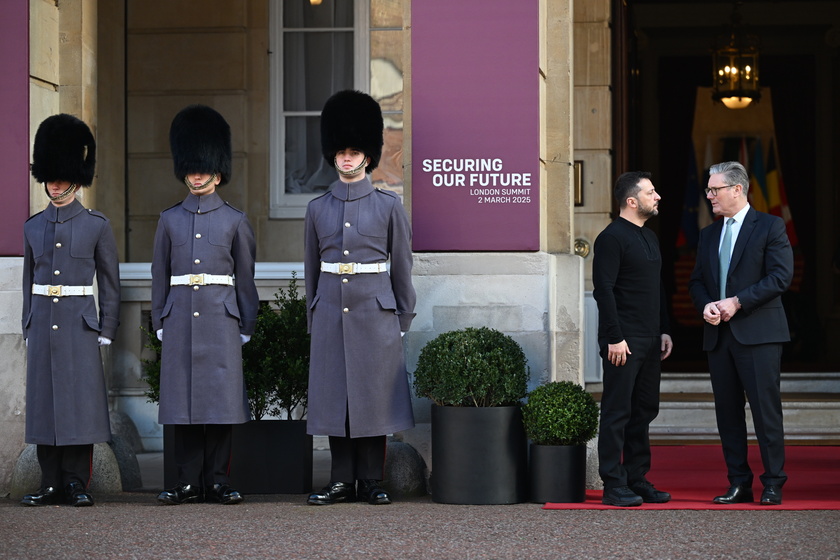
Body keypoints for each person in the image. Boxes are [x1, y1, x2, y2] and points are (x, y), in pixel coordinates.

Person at [304, 90, 416, 506]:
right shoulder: (318, 209)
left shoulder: (389, 207)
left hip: (376, 313)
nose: (348, 158)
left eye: (355, 152)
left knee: (372, 399)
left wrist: (402, 319)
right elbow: (312, 270)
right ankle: (340, 480)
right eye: (342, 152)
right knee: (336, 398)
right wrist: (314, 318)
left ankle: (371, 480)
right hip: (331, 310)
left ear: (368, 156)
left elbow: (401, 268)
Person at [152, 105, 259, 506]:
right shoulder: (170, 220)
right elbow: (159, 273)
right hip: (180, 318)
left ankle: (217, 480)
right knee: (182, 406)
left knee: (219, 405)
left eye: (203, 168)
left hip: (220, 320)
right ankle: (186, 482)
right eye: (191, 168)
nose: (196, 175)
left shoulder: (235, 220)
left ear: (217, 170)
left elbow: (245, 278)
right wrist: (160, 316)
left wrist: (246, 323)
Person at [21, 114, 120, 507]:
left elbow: (111, 281)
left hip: (80, 323)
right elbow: (30, 282)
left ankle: (77, 481)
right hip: (44, 322)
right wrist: (27, 323)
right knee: (45, 404)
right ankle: (50, 482)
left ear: (76, 178)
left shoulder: (96, 225)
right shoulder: (32, 227)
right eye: (51, 176)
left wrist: (107, 325)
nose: (55, 183)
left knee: (79, 405)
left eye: (62, 177)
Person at [689, 161, 793, 506]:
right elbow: (698, 282)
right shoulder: (707, 234)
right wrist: (706, 305)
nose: (709, 196)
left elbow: (780, 277)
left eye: (714, 189)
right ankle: (739, 482)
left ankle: (773, 482)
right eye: (708, 190)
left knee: (765, 411)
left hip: (759, 334)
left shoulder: (770, 226)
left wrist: (737, 302)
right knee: (727, 412)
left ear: (737, 189)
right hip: (719, 336)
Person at [592, 171, 673, 507]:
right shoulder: (611, 238)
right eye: (651, 192)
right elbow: (604, 290)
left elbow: (657, 287)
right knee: (617, 411)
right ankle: (613, 483)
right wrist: (614, 337)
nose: (657, 197)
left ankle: (636, 478)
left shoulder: (650, 238)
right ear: (631, 200)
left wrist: (664, 329)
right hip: (622, 341)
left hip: (651, 338)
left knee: (644, 411)